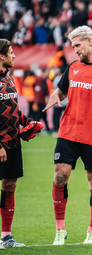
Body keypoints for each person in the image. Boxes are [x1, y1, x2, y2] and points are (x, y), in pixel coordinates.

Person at [43, 25, 92, 245]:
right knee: (59, 176)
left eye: (77, 45)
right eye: (72, 46)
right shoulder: (72, 67)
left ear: (90, 41)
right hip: (68, 131)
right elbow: (61, 90)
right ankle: (60, 230)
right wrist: (55, 94)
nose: (75, 50)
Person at [0, 39, 43, 249]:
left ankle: (6, 237)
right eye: (11, 52)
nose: (15, 55)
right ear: (1, 56)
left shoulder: (9, 78)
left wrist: (28, 122)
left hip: (13, 142)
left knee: (10, 186)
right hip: (0, 144)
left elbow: (13, 109)